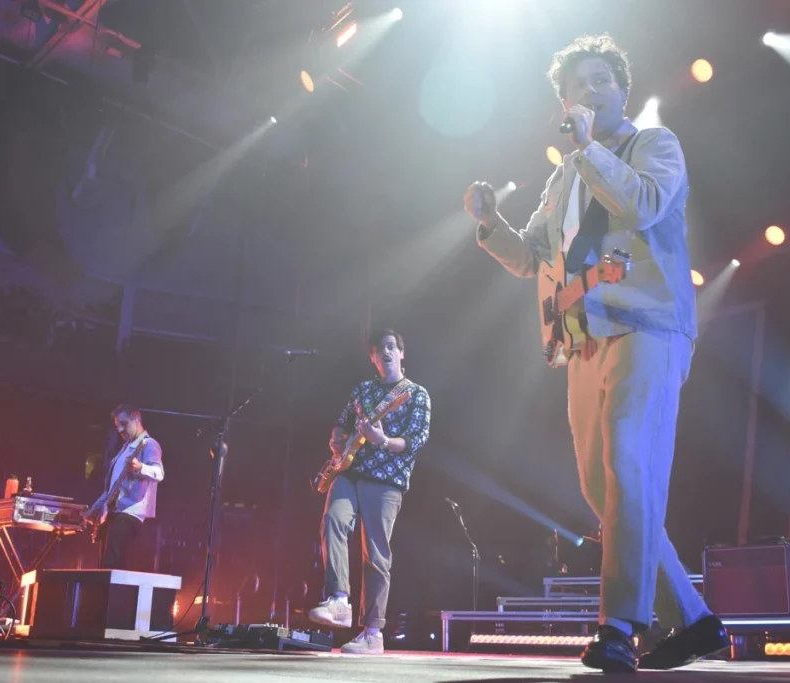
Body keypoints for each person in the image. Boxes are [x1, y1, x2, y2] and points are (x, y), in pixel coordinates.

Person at [463, 34, 729, 672]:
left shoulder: (654, 147)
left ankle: (618, 627)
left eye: (601, 79)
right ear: (563, 99)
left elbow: (642, 204)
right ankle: (694, 621)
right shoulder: (561, 178)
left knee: (629, 464)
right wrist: (490, 225)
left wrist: (587, 151)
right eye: (578, 84)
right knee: (600, 485)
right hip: (581, 339)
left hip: (648, 323)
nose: (590, 90)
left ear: (623, 90)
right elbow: (534, 259)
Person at [308, 328, 431, 655]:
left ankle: (373, 633)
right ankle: (339, 600)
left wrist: (383, 441)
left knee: (375, 553)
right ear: (373, 358)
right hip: (350, 472)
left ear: (401, 353)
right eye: (379, 350)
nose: (386, 353)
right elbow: (342, 423)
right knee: (333, 519)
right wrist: (336, 439)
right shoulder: (362, 390)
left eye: (392, 347)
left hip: (387, 479)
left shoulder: (415, 394)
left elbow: (415, 442)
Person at [87, 404, 164, 570]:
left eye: (124, 423)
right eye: (117, 426)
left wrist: (140, 467)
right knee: (104, 564)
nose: (121, 429)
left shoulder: (149, 444)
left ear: (136, 418)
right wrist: (96, 508)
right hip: (115, 513)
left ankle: (109, 595)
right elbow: (112, 487)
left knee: (112, 564)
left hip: (130, 513)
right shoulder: (124, 450)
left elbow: (159, 473)